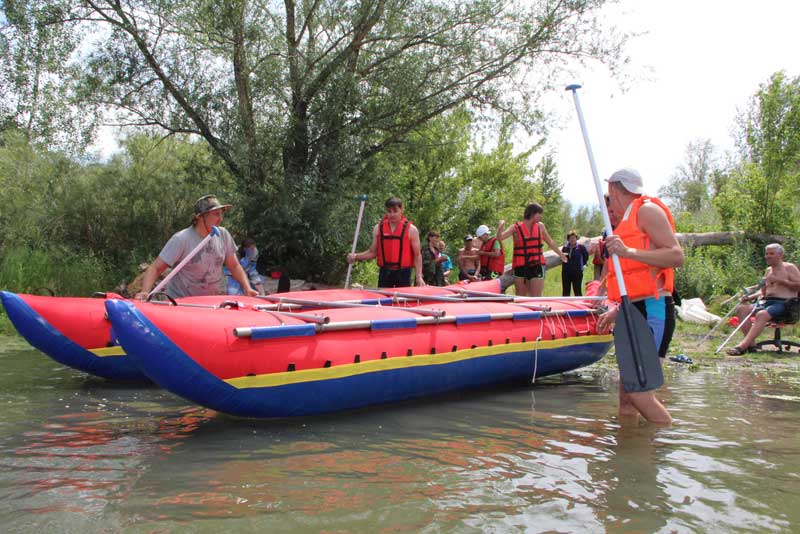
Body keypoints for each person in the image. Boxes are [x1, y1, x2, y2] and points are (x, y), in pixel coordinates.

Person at [595, 169, 684, 425]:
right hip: (632, 311)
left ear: (614, 189)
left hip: (653, 308)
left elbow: (676, 256)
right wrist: (618, 311)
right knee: (626, 395)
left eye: (609, 193)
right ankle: (629, 454)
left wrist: (628, 251)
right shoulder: (623, 222)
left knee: (639, 393)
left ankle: (663, 445)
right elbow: (629, 283)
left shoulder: (646, 211)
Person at [135, 194, 258, 299]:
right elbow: (155, 268)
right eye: (216, 214)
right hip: (183, 303)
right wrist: (145, 292)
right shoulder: (181, 239)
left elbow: (234, 266)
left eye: (221, 214)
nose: (220, 219)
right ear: (200, 217)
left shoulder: (223, 234)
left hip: (211, 302)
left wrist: (247, 288)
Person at [726, 243, 800, 355]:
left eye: (771, 254)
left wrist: (782, 281)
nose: (768, 256)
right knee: (742, 309)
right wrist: (750, 297)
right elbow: (763, 291)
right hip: (767, 302)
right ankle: (751, 344)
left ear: (780, 255)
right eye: (766, 254)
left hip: (785, 304)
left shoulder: (789, 267)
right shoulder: (768, 270)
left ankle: (742, 346)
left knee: (762, 314)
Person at [346, 196, 425, 287]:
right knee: (383, 299)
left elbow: (417, 255)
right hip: (385, 272)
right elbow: (372, 252)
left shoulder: (412, 230)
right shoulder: (378, 228)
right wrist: (356, 256)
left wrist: (419, 276)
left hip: (403, 273)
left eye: (395, 211)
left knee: (402, 300)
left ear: (402, 209)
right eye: (389, 211)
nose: (392, 214)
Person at [496, 202, 567, 297]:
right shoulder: (515, 227)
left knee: (536, 297)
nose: (541, 216)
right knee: (521, 297)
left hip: (537, 265)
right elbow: (500, 237)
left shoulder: (540, 226)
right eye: (539, 213)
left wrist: (561, 254)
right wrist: (500, 226)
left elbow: (550, 242)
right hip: (521, 266)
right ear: (533, 213)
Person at [561, 230, 590, 296]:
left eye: (574, 238)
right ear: (568, 239)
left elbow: (586, 256)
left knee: (577, 290)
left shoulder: (580, 247)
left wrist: (581, 265)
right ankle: (565, 305)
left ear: (576, 238)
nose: (572, 239)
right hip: (566, 272)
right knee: (566, 291)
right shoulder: (565, 248)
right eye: (571, 238)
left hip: (577, 272)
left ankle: (579, 304)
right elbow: (562, 257)